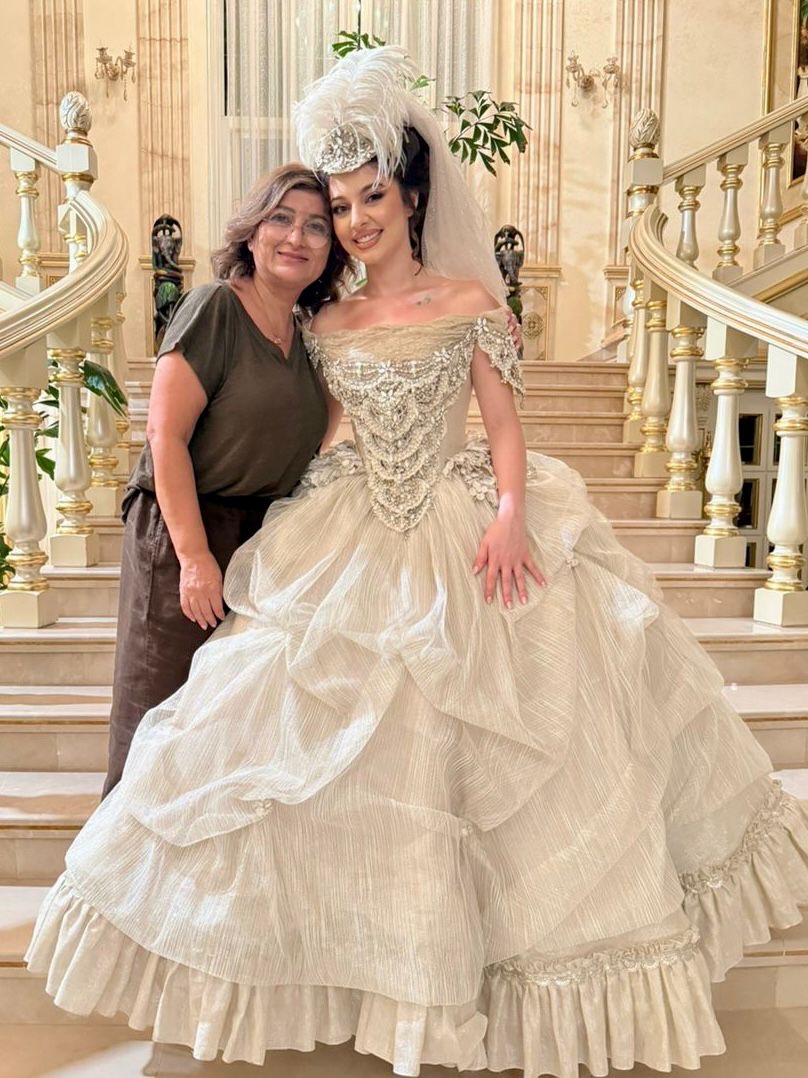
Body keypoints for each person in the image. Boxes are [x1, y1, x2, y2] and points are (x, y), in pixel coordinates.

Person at [28, 47, 808, 1078]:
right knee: (286, 734)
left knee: (499, 736)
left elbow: (504, 425)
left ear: (410, 197)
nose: (355, 220)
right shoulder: (321, 318)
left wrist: (513, 513)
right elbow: (311, 426)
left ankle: (471, 977)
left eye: (372, 198)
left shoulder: (471, 303)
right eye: (341, 204)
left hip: (455, 519)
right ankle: (336, 962)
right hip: (343, 524)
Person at [102, 163, 351, 795]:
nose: (296, 237)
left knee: (226, 728)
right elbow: (165, 436)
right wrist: (193, 559)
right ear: (252, 230)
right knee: (158, 718)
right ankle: (117, 854)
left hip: (259, 538)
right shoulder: (215, 307)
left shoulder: (308, 334)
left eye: (317, 226)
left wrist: (488, 323)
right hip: (185, 529)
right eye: (281, 219)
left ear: (331, 248)